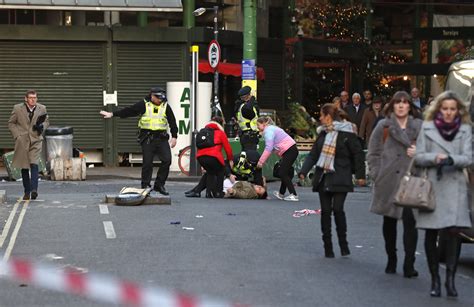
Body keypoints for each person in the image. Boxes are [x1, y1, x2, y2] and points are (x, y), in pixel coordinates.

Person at [414, 91, 472, 298]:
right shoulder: (427, 129)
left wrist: (451, 160)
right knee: (431, 234)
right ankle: (435, 279)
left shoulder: (465, 130)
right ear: (439, 109)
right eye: (445, 109)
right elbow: (418, 157)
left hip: (455, 187)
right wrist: (435, 158)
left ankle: (450, 279)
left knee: (453, 235)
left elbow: (468, 158)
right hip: (433, 187)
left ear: (458, 111)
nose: (448, 113)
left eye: (452, 109)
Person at [367, 91, 422, 278]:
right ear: (392, 105)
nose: (400, 105)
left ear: (409, 106)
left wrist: (419, 153)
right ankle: (392, 258)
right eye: (397, 102)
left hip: (411, 180)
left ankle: (409, 263)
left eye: (404, 102)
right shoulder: (384, 126)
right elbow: (373, 153)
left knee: (410, 222)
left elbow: (430, 151)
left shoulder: (419, 127)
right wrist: (377, 174)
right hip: (388, 181)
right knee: (389, 222)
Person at [299, 104, 365, 258]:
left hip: (341, 175)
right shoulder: (322, 134)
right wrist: (303, 171)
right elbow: (313, 155)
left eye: (322, 115)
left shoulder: (346, 133)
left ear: (328, 116)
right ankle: (327, 246)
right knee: (326, 211)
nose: (320, 118)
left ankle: (343, 244)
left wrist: (360, 175)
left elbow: (358, 154)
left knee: (338, 209)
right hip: (324, 177)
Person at [100, 87, 177, 195]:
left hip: (161, 138)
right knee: (147, 163)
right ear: (152, 96)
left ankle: (159, 185)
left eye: (162, 98)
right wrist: (113, 114)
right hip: (148, 138)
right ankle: (145, 186)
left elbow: (172, 121)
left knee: (167, 160)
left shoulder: (165, 106)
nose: (160, 100)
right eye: (158, 98)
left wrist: (174, 136)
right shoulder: (144, 104)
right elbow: (129, 111)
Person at [8, 90, 49, 200]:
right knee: (24, 166)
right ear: (25, 99)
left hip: (36, 139)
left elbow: (46, 121)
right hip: (22, 141)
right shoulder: (17, 108)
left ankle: (34, 190)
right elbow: (11, 123)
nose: (33, 100)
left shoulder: (42, 108)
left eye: (35, 98)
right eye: (31, 98)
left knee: (34, 163)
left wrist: (42, 127)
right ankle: (27, 191)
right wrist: (17, 136)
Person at [185, 148, 263, 197]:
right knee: (211, 172)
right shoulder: (239, 158)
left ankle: (197, 191)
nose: (250, 165)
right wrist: (229, 175)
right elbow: (224, 165)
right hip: (229, 176)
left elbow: (258, 179)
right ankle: (196, 191)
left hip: (237, 183)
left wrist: (263, 194)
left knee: (211, 173)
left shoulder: (257, 165)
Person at [256, 116, 299, 201]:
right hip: (291, 150)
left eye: (258, 124)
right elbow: (272, 148)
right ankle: (281, 194)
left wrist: (261, 162)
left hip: (289, 151)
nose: (257, 126)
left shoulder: (268, 131)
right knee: (284, 172)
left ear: (264, 124)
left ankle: (294, 195)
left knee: (282, 172)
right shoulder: (271, 129)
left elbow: (269, 148)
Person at [196, 117, 233, 198]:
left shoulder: (203, 132)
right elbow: (228, 148)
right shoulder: (220, 133)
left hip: (200, 157)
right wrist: (230, 159)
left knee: (210, 172)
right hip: (213, 156)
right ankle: (218, 192)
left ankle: (208, 193)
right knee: (221, 170)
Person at [234, 86, 260, 150]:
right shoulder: (245, 108)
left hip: (244, 136)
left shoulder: (239, 106)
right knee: (251, 156)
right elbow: (248, 109)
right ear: (248, 95)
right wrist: (253, 98)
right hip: (250, 137)